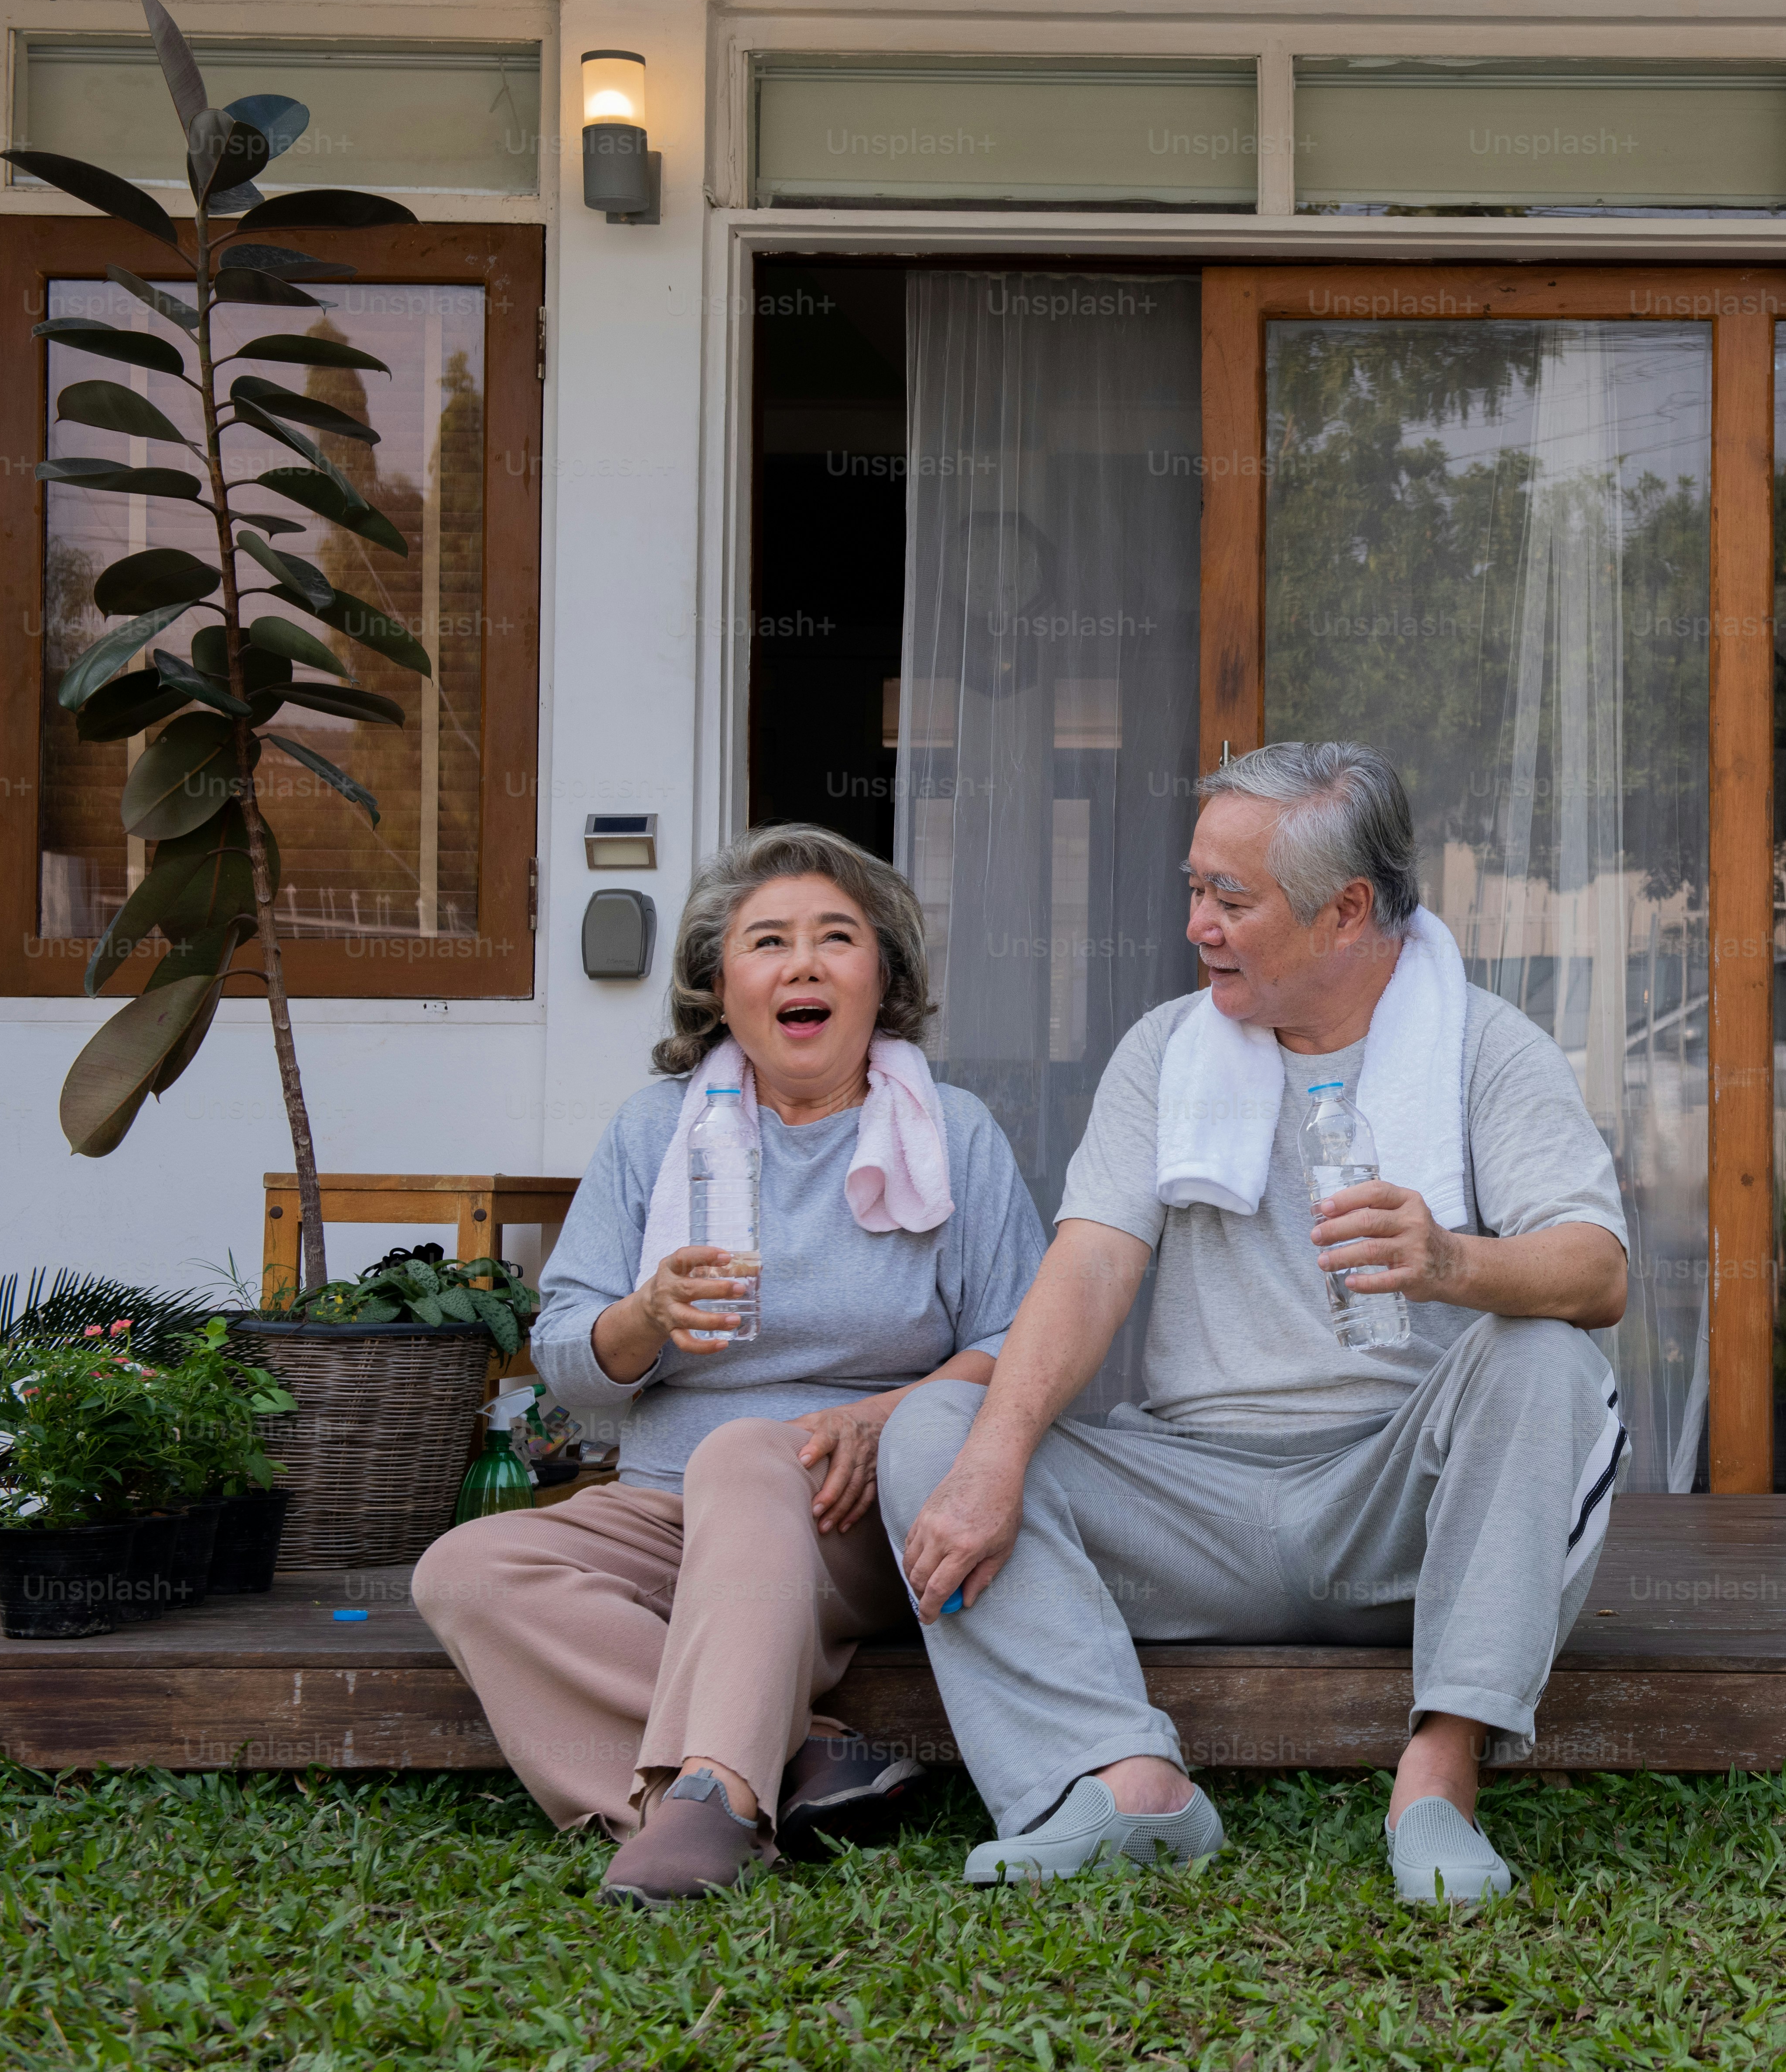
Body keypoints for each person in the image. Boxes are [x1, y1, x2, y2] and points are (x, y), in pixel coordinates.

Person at [879, 741, 1631, 1904]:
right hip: (1192, 1503)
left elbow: (1597, 1272)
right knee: (937, 1431)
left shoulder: (1487, 1048)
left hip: (1403, 1504)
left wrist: (1450, 1261)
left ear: (1347, 913)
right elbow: (1088, 1265)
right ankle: (1128, 1787)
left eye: (1232, 899)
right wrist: (991, 1459)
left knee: (1548, 1355)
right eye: (1195, 890)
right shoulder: (1167, 1053)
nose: (1199, 925)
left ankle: (1439, 1779)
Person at [414, 822, 1045, 1906]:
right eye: (768, 941)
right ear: (719, 985)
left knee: (748, 1454)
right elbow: (567, 1358)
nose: (802, 963)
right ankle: (802, 1754)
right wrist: (646, 1316)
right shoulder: (653, 1133)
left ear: (880, 973)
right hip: (664, 1508)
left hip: (859, 1514)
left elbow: (1024, 1342)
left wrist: (886, 1415)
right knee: (463, 1571)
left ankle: (708, 1794)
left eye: (835, 937)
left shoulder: (955, 1132)